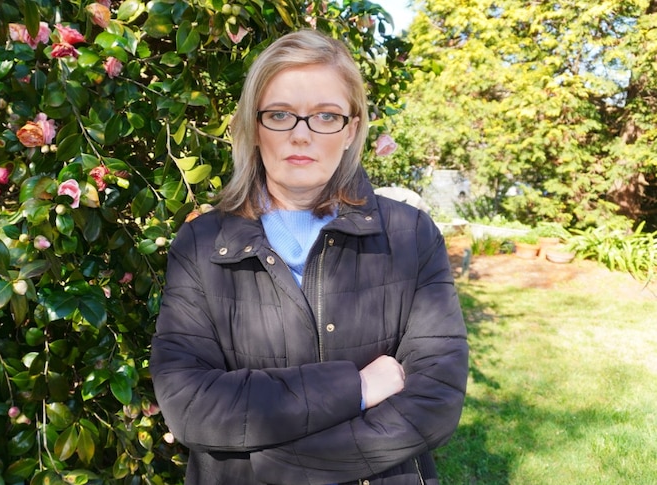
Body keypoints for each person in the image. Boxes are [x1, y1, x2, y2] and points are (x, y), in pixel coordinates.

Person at [150, 29, 468, 485]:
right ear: (255, 128)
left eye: (325, 116)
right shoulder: (202, 245)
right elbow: (189, 404)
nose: (302, 135)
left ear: (351, 129)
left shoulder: (410, 235)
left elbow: (435, 396)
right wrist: (356, 387)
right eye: (280, 115)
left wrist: (288, 465)